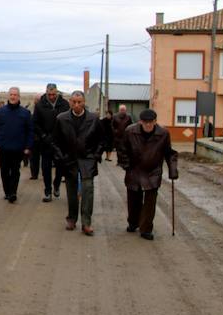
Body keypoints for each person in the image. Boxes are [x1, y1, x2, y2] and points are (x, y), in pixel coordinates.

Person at [117, 109, 179, 241]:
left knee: (150, 202)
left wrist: (173, 169)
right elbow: (122, 149)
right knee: (134, 199)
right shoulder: (130, 131)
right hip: (134, 169)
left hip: (153, 171)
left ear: (155, 121)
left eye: (151, 122)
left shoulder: (163, 133)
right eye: (145, 122)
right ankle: (133, 222)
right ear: (140, 121)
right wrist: (126, 164)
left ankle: (146, 229)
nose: (148, 125)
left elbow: (169, 153)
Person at [52, 90, 105, 236]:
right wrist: (61, 156)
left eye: (79, 102)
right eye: (73, 102)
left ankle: (86, 222)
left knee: (88, 190)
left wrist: (96, 155)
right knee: (71, 190)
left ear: (84, 102)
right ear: (70, 102)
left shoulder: (93, 119)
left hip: (87, 159)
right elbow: (55, 141)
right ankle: (71, 218)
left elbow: (102, 140)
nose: (76, 105)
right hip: (69, 159)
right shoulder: (61, 119)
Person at [0, 87, 33, 203]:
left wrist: (28, 146)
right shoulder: (0, 112)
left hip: (18, 148)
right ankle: (7, 191)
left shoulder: (25, 113)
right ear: (8, 96)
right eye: (11, 94)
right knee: (4, 171)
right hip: (3, 148)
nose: (13, 97)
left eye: (15, 95)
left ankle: (13, 192)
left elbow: (30, 131)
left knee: (15, 171)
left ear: (19, 97)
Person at [33, 84, 70, 202]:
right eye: (49, 94)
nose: (52, 96)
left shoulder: (64, 104)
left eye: (54, 94)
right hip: (46, 142)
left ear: (57, 92)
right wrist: (43, 136)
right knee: (46, 168)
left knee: (60, 167)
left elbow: (68, 121)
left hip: (60, 143)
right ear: (46, 92)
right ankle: (48, 191)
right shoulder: (40, 105)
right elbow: (35, 123)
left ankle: (57, 184)